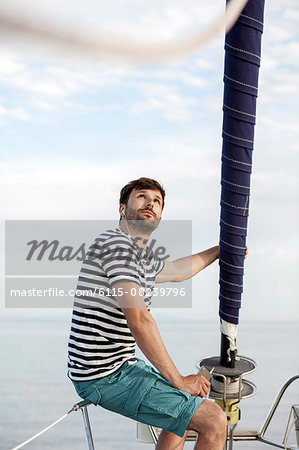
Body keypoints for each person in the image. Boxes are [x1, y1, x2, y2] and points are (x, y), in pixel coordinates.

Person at [68, 177, 228, 449]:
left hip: (119, 366)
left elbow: (179, 270)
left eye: (157, 201)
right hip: (104, 376)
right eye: (142, 197)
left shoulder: (139, 255)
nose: (151, 204)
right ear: (122, 208)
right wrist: (178, 380)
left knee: (189, 407)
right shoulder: (117, 246)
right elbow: (140, 321)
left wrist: (222, 251)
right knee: (214, 420)